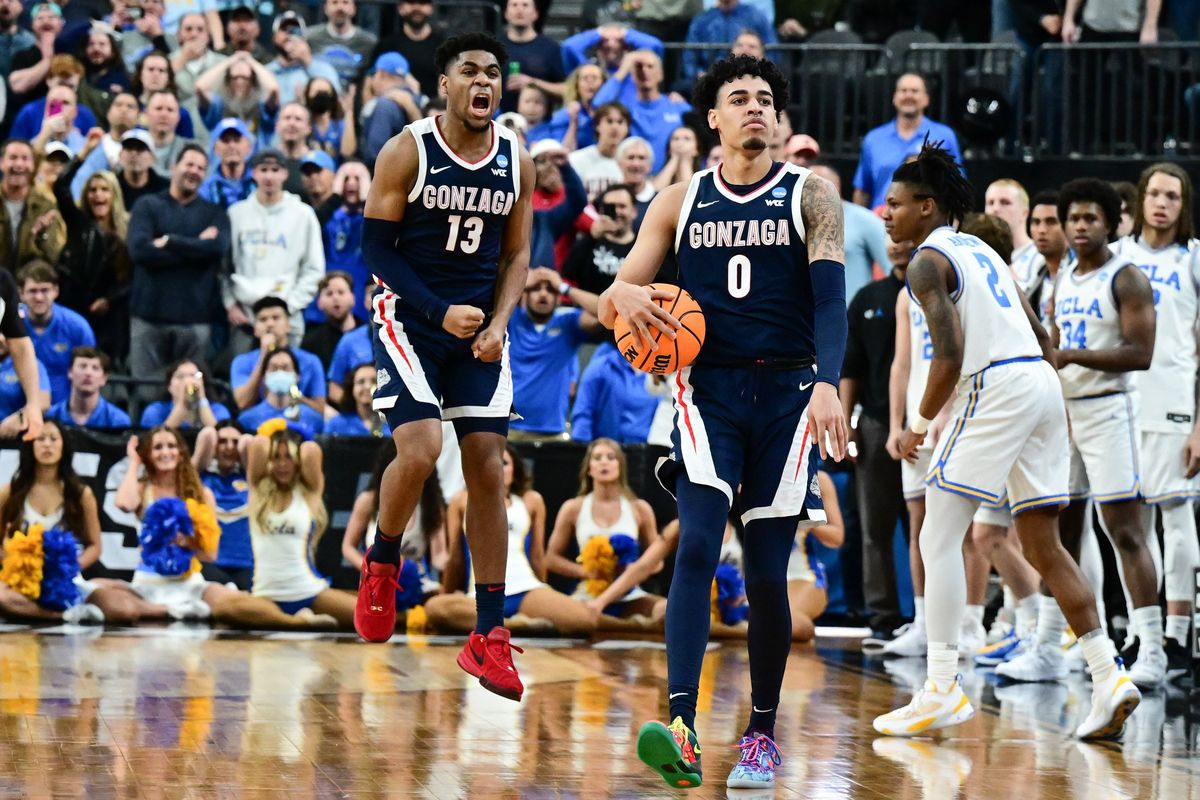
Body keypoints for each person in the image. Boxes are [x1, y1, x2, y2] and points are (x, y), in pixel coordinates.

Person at [598, 55, 848, 789]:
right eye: (738, 99)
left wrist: (829, 385)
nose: (754, 109)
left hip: (789, 394)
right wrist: (624, 297)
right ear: (712, 118)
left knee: (768, 572)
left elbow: (830, 303)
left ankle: (762, 735)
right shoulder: (679, 201)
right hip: (706, 391)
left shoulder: (814, 195)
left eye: (766, 100)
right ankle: (681, 725)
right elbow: (623, 290)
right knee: (699, 544)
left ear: (779, 118)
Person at [871, 145, 1139, 741]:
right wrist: (1042, 407)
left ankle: (940, 687)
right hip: (1041, 383)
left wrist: (918, 424)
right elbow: (1045, 336)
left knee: (937, 532)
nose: (884, 214)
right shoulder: (984, 252)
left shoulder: (926, 262)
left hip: (995, 384)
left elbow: (951, 355)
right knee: (1044, 545)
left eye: (894, 204)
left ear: (927, 207)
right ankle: (1108, 673)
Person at [354, 33, 533, 706]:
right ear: (445, 85)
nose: (484, 82)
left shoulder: (517, 158)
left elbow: (517, 256)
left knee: (488, 466)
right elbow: (376, 248)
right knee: (423, 447)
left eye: (493, 72)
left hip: (478, 333)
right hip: (409, 319)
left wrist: (499, 322)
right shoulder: (408, 149)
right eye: (471, 72)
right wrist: (437, 309)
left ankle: (490, 634)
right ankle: (382, 560)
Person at [1001, 178, 1165, 690]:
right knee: (1058, 533)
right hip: (1064, 413)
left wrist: (1070, 356)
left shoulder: (1127, 276)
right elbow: (1052, 341)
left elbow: (1141, 354)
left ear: (1112, 221)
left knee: (1125, 532)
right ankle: (1050, 647)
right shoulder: (1063, 277)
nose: (1079, 226)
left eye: (1090, 218)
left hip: (1110, 411)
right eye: (1073, 218)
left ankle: (1153, 649)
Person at [1113, 162, 1200, 681]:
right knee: (1128, 524)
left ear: (1183, 204)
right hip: (1121, 403)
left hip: (1174, 402)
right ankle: (1144, 633)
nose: (1163, 202)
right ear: (1141, 199)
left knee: (1177, 515)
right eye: (1155, 193)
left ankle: (1178, 634)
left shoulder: (1193, 259)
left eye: (1173, 195)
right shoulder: (1119, 258)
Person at [115, 426, 332, 628]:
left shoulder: (201, 494)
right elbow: (125, 503)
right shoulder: (144, 489)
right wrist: (135, 462)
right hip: (148, 579)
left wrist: (187, 542)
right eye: (158, 447)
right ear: (148, 454)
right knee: (118, 605)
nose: (165, 452)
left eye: (171, 446)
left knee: (235, 603)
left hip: (187, 580)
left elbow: (210, 554)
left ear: (181, 452)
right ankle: (167, 610)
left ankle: (294, 622)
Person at [427, 443, 621, 636]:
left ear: (515, 471)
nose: (497, 469)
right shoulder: (461, 500)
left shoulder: (531, 501)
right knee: (435, 608)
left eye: (504, 463)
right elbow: (456, 558)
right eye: (491, 463)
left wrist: (546, 595)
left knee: (584, 620)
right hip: (478, 596)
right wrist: (448, 594)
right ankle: (517, 625)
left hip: (526, 589)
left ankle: (638, 625)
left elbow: (537, 556)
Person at [0, 420, 167, 624]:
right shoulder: (10, 492)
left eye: (54, 438)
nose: (47, 445)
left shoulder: (80, 493)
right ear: (30, 445)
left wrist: (68, 567)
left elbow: (95, 545)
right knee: (3, 597)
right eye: (40, 438)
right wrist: (14, 560)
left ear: (64, 446)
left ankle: (169, 610)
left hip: (65, 578)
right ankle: (65, 616)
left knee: (123, 610)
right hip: (22, 578)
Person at [126, 144, 229, 385]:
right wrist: (196, 247)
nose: (194, 171)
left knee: (191, 394)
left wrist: (171, 241)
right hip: (148, 317)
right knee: (145, 394)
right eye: (189, 164)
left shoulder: (215, 214)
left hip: (195, 321)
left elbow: (216, 249)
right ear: (173, 167)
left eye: (201, 168)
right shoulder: (147, 205)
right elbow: (140, 251)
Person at [544, 438, 667, 619]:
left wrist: (631, 570)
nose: (604, 462)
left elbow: (657, 561)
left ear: (620, 466)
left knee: (666, 609)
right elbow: (551, 559)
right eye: (597, 457)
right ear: (589, 468)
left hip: (630, 595)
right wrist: (585, 572)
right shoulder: (573, 508)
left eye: (611, 457)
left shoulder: (639, 508)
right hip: (588, 594)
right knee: (561, 615)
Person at [245, 425, 353, 628]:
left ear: (298, 461)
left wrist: (293, 434)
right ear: (268, 461)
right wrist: (274, 432)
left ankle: (285, 620)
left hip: (307, 590)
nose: (283, 464)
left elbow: (311, 449)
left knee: (367, 618)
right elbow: (257, 443)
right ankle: (297, 622)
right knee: (225, 608)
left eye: (289, 457)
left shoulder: (309, 493)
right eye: (276, 457)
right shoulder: (258, 490)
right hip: (265, 595)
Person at [225, 148, 325, 339]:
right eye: (263, 170)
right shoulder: (236, 214)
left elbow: (314, 269)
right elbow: (223, 268)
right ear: (253, 173)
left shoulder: (303, 214)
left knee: (286, 367)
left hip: (288, 316)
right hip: (245, 317)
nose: (269, 176)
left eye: (275, 170)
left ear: (285, 173)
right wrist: (230, 304)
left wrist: (288, 306)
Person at [54, 154, 132, 366]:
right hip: (75, 306)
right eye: (92, 189)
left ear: (114, 194)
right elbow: (60, 187)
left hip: (111, 315)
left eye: (104, 189)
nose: (98, 195)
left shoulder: (130, 229)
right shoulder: (79, 223)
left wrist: (109, 299)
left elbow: (133, 277)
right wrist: (83, 154)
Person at [508, 267, 599, 439]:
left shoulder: (567, 324)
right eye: (535, 288)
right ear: (523, 296)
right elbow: (482, 298)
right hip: (507, 428)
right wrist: (519, 284)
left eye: (551, 290)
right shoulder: (510, 319)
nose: (543, 294)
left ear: (558, 299)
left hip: (551, 430)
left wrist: (565, 287)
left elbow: (603, 312)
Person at [852, 73, 963, 210]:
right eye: (903, 91)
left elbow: (957, 187)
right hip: (881, 221)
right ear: (894, 98)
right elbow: (863, 190)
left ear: (926, 99)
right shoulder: (873, 139)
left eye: (915, 91)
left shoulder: (944, 136)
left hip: (927, 221)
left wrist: (954, 228)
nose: (908, 95)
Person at [592, 48, 690, 172]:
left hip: (670, 179)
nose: (644, 71)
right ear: (632, 75)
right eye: (638, 67)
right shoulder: (624, 108)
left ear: (660, 74)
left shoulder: (677, 106)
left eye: (650, 66)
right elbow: (598, 105)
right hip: (631, 177)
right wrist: (623, 70)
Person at [18, 260, 96, 404]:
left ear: (56, 291)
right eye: (33, 291)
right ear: (21, 293)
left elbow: (91, 373)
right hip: (16, 410)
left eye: (44, 290)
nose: (39, 297)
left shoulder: (77, 327)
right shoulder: (9, 325)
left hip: (63, 413)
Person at [231, 296, 327, 412]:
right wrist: (263, 356)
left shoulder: (310, 361)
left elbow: (320, 410)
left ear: (288, 325)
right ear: (255, 329)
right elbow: (242, 403)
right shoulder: (242, 362)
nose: (270, 324)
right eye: (263, 319)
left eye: (276, 318)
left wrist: (294, 396)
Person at [810, 163, 890, 300]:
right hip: (807, 316)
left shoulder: (865, 220)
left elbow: (892, 267)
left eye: (822, 183)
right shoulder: (794, 223)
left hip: (853, 314)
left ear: (838, 185)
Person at [192, 420, 253, 590]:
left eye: (235, 442)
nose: (229, 447)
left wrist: (245, 445)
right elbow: (206, 438)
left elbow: (251, 449)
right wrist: (208, 442)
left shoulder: (251, 479)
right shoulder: (200, 477)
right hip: (209, 562)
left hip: (245, 563)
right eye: (222, 441)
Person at [0, 139, 65, 272]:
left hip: (30, 286)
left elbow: (55, 257)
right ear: (1, 163)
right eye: (13, 158)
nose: (19, 164)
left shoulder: (46, 207)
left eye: (25, 158)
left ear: (33, 165)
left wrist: (42, 236)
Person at [680, 0, 776, 87]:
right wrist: (698, 75)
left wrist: (761, 74)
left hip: (752, 79)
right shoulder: (702, 20)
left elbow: (773, 51)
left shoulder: (756, 17)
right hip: (708, 81)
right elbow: (689, 56)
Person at [563, 183, 638, 295]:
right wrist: (592, 237)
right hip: (591, 310)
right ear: (601, 211)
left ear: (634, 211)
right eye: (610, 207)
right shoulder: (589, 241)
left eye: (622, 206)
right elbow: (568, 272)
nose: (616, 212)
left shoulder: (643, 244)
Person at [194, 51, 280, 147]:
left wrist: (251, 62)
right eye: (235, 78)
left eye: (245, 78)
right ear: (228, 81)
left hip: (256, 159)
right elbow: (200, 87)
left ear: (253, 81)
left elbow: (273, 89)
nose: (240, 82)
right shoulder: (218, 106)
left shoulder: (262, 107)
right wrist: (230, 61)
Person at [368, 0, 445, 97]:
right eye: (411, 2)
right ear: (400, 8)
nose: (417, 8)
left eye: (422, 3)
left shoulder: (444, 47)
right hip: (394, 107)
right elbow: (369, 82)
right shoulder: (386, 45)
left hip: (434, 109)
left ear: (431, 8)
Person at [499, 0, 564, 114]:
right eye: (514, 5)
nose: (519, 10)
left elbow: (566, 90)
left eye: (525, 5)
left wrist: (533, 83)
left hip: (539, 126)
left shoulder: (551, 48)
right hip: (499, 122)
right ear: (505, 13)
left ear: (536, 14)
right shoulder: (494, 47)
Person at [266, 11, 341, 108]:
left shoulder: (323, 69)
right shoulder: (266, 71)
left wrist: (308, 61)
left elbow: (336, 98)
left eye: (295, 30)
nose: (289, 35)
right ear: (274, 37)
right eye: (284, 29)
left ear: (303, 37)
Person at [45, 346, 130, 429]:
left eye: (95, 368)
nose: (88, 373)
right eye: (82, 366)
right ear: (70, 372)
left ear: (104, 378)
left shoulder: (119, 421)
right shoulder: (50, 417)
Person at [139, 358, 232, 429]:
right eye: (180, 376)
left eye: (194, 376)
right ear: (169, 385)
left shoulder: (218, 410)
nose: (188, 381)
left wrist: (201, 399)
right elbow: (153, 442)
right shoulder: (154, 411)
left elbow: (220, 439)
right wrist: (182, 403)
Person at [307, 0, 378, 87]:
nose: (340, 8)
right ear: (325, 8)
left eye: (345, 2)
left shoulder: (369, 42)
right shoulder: (310, 37)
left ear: (354, 9)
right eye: (334, 2)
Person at [567, 100, 628, 200]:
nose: (615, 127)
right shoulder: (576, 159)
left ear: (627, 128)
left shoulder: (632, 163)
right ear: (597, 126)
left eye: (620, 122)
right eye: (609, 121)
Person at [301, 271, 361, 369]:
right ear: (319, 302)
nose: (335, 298)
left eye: (341, 292)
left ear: (353, 298)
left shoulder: (370, 334)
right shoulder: (311, 342)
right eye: (329, 294)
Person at [198, 117, 256, 209]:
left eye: (237, 140)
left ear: (249, 147)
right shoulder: (206, 189)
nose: (231, 146)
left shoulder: (259, 182)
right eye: (225, 140)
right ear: (215, 148)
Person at [0, 333, 50, 438]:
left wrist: (20, 417)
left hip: (14, 439)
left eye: (4, 333)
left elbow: (43, 402)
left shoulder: (29, 364)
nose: (0, 339)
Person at [985, 178, 1036, 277]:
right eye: (990, 203)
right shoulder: (980, 253)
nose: (995, 209)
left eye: (1005, 202)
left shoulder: (1040, 257)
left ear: (1024, 213)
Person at [326, 363, 390, 437]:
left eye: (374, 381)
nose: (368, 386)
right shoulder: (335, 425)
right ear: (351, 389)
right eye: (361, 382)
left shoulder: (394, 423)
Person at [304, 76, 356, 163]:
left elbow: (348, 152)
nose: (321, 95)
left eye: (325, 92)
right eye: (317, 92)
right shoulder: (302, 123)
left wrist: (349, 112)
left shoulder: (339, 125)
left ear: (332, 96)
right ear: (308, 95)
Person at [115, 128, 169, 210]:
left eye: (140, 149)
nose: (133, 154)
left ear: (152, 157)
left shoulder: (165, 189)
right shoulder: (111, 187)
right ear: (120, 155)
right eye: (128, 148)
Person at [299, 150, 340, 227]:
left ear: (333, 175)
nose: (313, 177)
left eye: (318, 170)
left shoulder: (344, 210)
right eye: (307, 172)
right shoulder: (298, 211)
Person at [652, 125, 700, 192]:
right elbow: (653, 193)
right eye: (675, 138)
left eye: (687, 138)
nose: (680, 143)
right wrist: (674, 158)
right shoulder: (656, 176)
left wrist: (685, 161)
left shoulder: (703, 178)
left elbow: (692, 193)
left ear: (696, 149)